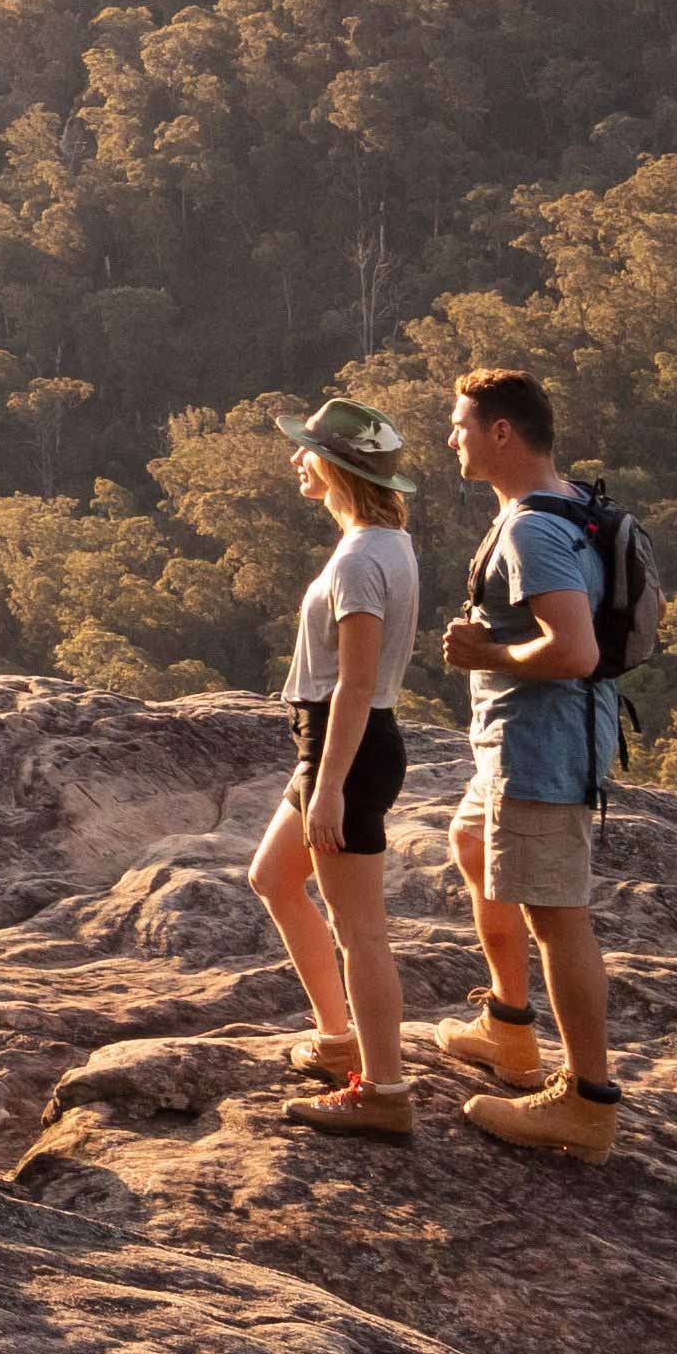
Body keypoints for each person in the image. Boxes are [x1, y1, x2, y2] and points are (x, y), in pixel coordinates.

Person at [425, 361, 630, 1159]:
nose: (453, 438)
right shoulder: (571, 503)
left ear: (500, 433)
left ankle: (587, 1102)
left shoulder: (532, 528)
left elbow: (573, 650)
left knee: (557, 918)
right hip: (519, 746)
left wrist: (486, 652)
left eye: (461, 425)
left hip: (540, 751)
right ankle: (509, 1028)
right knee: (472, 845)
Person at [237, 395, 432, 1138]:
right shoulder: (386, 542)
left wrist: (327, 790)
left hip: (344, 747)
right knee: (274, 878)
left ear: (338, 466)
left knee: (363, 930)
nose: (296, 460)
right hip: (335, 743)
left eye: (306, 449)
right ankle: (335, 1040)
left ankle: (384, 1091)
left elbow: (354, 682)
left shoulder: (359, 560)